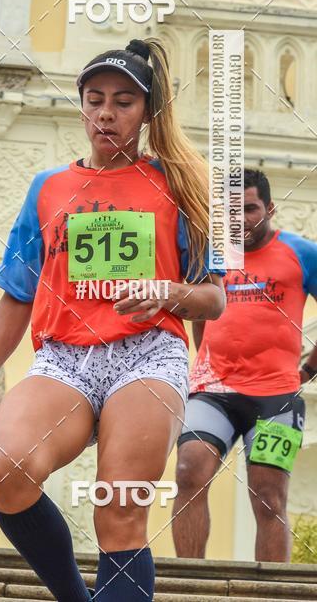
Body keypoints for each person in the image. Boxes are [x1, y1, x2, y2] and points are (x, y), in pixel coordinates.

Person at [0, 39, 225, 601]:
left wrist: (170, 292)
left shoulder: (180, 184)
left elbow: (214, 300)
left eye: (123, 102)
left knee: (119, 508)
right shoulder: (48, 188)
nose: (106, 113)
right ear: (81, 106)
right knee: (6, 465)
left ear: (147, 113)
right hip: (65, 357)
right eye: (94, 99)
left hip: (149, 351)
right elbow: (19, 292)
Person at [173, 168, 317, 562]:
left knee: (269, 497)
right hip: (213, 392)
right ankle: (186, 585)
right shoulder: (212, 255)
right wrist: (208, 363)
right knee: (188, 473)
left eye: (250, 209)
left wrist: (308, 369)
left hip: (278, 399)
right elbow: (201, 311)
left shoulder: (302, 253)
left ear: (269, 207)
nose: (240, 221)